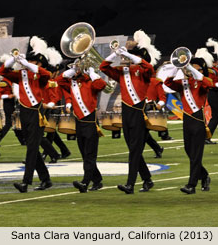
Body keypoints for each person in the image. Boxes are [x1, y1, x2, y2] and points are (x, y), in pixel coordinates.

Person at [100, 30, 159, 194]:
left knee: (134, 151)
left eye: (127, 57)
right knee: (133, 150)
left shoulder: (143, 72)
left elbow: (148, 66)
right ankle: (147, 179)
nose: (124, 59)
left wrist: (131, 56)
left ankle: (130, 184)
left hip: (138, 113)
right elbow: (103, 67)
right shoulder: (120, 72)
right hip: (126, 113)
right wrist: (115, 54)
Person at [0, 36, 52, 193]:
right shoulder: (21, 74)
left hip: (37, 112)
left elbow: (47, 75)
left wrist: (28, 64)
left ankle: (25, 182)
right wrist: (13, 59)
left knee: (32, 148)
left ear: (39, 63)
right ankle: (45, 179)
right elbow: (3, 71)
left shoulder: (40, 74)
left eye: (34, 61)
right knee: (32, 147)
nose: (30, 62)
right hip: (25, 112)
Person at [165, 57, 213, 194]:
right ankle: (204, 176)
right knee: (189, 151)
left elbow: (208, 83)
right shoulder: (183, 82)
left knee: (196, 155)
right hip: (187, 120)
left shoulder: (202, 83)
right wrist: (177, 66)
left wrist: (192, 69)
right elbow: (168, 83)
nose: (191, 69)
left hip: (198, 120)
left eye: (195, 68)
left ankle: (191, 185)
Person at [57, 65, 107, 193]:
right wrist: (73, 70)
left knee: (90, 154)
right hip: (79, 122)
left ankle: (85, 182)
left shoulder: (89, 82)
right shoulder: (71, 82)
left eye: (78, 68)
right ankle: (97, 180)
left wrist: (91, 72)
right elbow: (59, 80)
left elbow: (101, 85)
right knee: (84, 154)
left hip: (90, 122)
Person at [204, 38, 218, 144]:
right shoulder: (211, 70)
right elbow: (211, 83)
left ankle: (206, 137)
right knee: (215, 117)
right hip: (214, 94)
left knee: (216, 117)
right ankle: (206, 137)